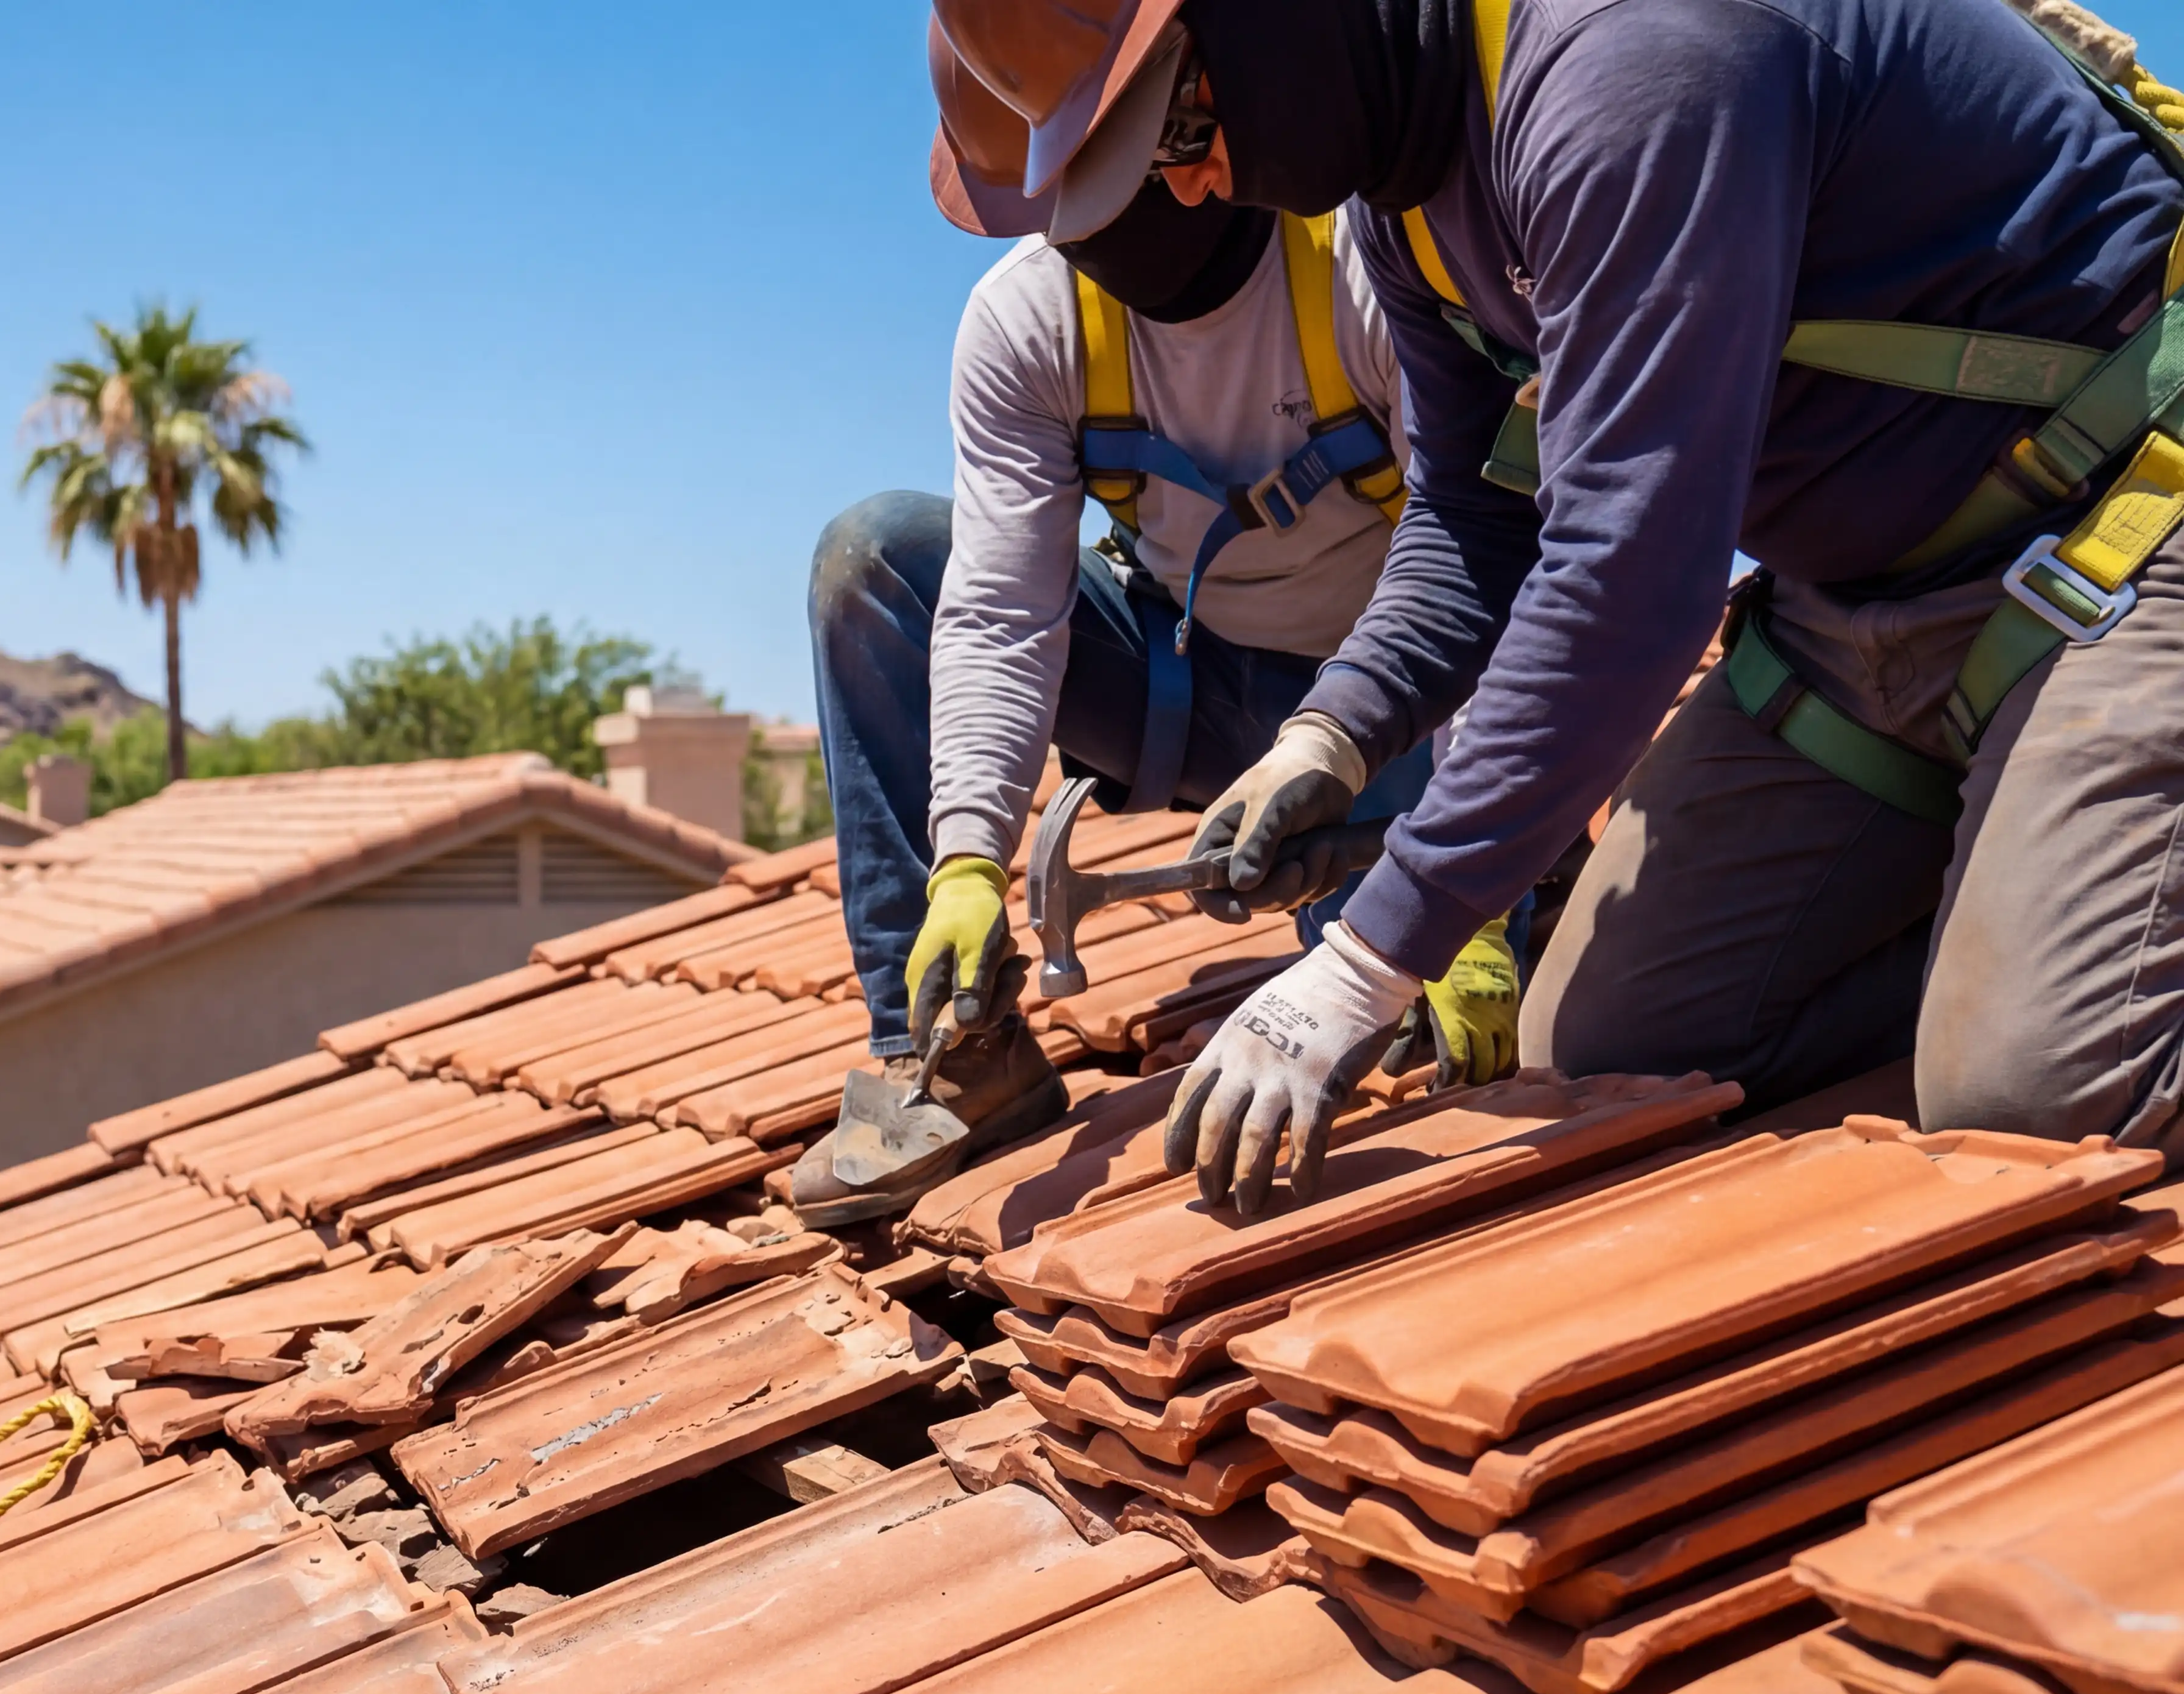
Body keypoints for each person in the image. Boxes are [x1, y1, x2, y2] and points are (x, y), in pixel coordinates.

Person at [926, 0, 2184, 1217]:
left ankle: (2067, 974)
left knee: (2040, 1104)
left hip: (2124, 531)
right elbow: (1479, 515)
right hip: (1861, 619)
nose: (1189, 193)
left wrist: (1368, 959)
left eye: (1181, 134)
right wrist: (1336, 733)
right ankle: (2032, 916)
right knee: (1613, 1051)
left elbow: (1625, 571)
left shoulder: (1636, 61)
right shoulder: (1403, 205)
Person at [789, 18, 1521, 1228]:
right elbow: (997, 609)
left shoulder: (1358, 260)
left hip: (1395, 736)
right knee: (874, 561)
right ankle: (949, 1051)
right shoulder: (1023, 328)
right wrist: (972, 859)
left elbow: (1490, 560)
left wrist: (1474, 882)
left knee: (1407, 1057)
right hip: (1183, 699)